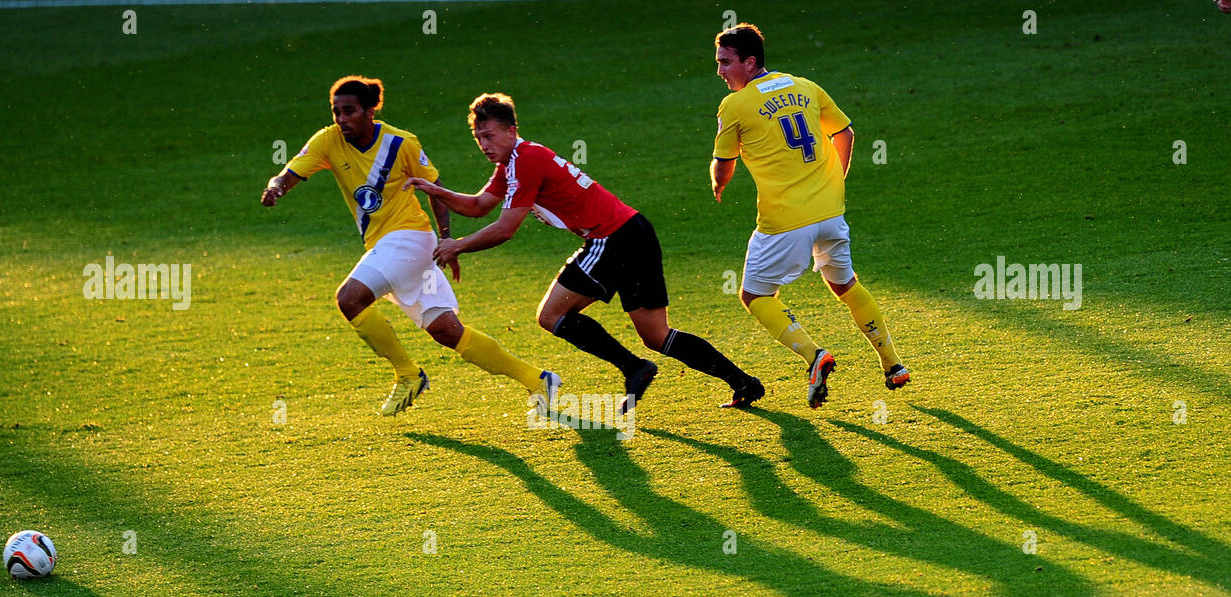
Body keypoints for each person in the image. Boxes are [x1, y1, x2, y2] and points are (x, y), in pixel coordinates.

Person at [404, 93, 763, 415]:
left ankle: (635, 368)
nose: (483, 144)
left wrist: (457, 245)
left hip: (612, 238)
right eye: (478, 137)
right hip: (633, 231)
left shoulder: (524, 160)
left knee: (551, 314)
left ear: (512, 131)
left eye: (490, 135)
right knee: (656, 335)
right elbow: (481, 205)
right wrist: (436, 190)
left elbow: (505, 228)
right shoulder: (513, 163)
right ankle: (743, 382)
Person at [260, 76, 558, 417]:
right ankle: (537, 379)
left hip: (410, 238)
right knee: (448, 332)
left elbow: (435, 188)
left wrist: (446, 238)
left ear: (370, 111)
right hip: (388, 247)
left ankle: (407, 373)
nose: (341, 119)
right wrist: (277, 187)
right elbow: (289, 173)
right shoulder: (328, 140)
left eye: (349, 111)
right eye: (336, 111)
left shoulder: (401, 143)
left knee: (349, 298)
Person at [711, 23, 911, 409]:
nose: (719, 71)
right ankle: (893, 365)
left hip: (784, 222)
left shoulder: (735, 106)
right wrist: (833, 182)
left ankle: (814, 355)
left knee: (755, 295)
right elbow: (846, 134)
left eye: (725, 62)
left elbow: (724, 165)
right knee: (847, 285)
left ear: (750, 62)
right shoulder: (805, 86)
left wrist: (718, 186)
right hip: (830, 212)